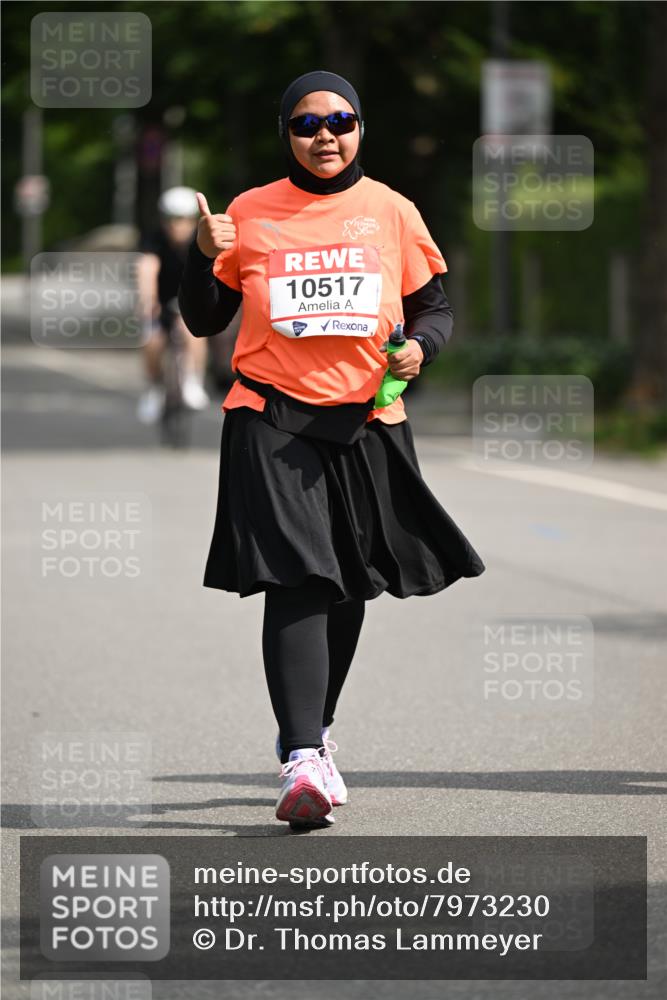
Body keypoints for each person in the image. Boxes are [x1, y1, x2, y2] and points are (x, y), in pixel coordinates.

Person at [179, 71, 485, 828]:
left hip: (367, 419)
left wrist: (419, 347)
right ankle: (304, 756)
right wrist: (200, 254)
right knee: (298, 576)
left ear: (358, 128)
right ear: (286, 132)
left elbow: (433, 308)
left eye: (341, 121)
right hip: (269, 415)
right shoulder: (247, 213)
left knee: (350, 582)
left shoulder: (389, 209)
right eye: (308, 124)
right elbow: (202, 319)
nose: (326, 136)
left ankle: (308, 732)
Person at [136, 186, 210, 423]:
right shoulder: (154, 238)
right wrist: (147, 301)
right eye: (170, 219)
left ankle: (193, 381)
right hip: (160, 301)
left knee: (193, 333)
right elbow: (147, 268)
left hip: (188, 300)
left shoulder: (200, 240)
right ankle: (154, 389)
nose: (176, 225)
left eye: (182, 219)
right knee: (152, 341)